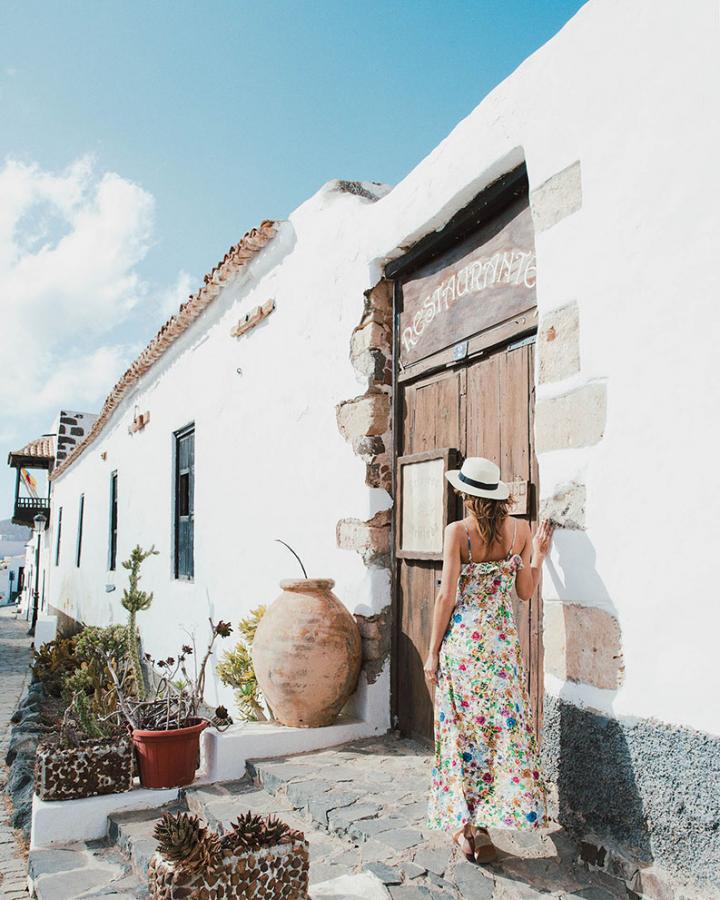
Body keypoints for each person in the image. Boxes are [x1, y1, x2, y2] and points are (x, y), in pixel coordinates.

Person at [424, 457, 554, 863]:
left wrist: (431, 653)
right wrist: (539, 556)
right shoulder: (520, 531)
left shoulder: (458, 533)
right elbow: (526, 592)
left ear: (467, 495)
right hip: (500, 651)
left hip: (464, 648)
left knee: (461, 735)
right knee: (498, 735)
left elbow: (447, 597)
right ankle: (483, 827)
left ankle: (466, 828)